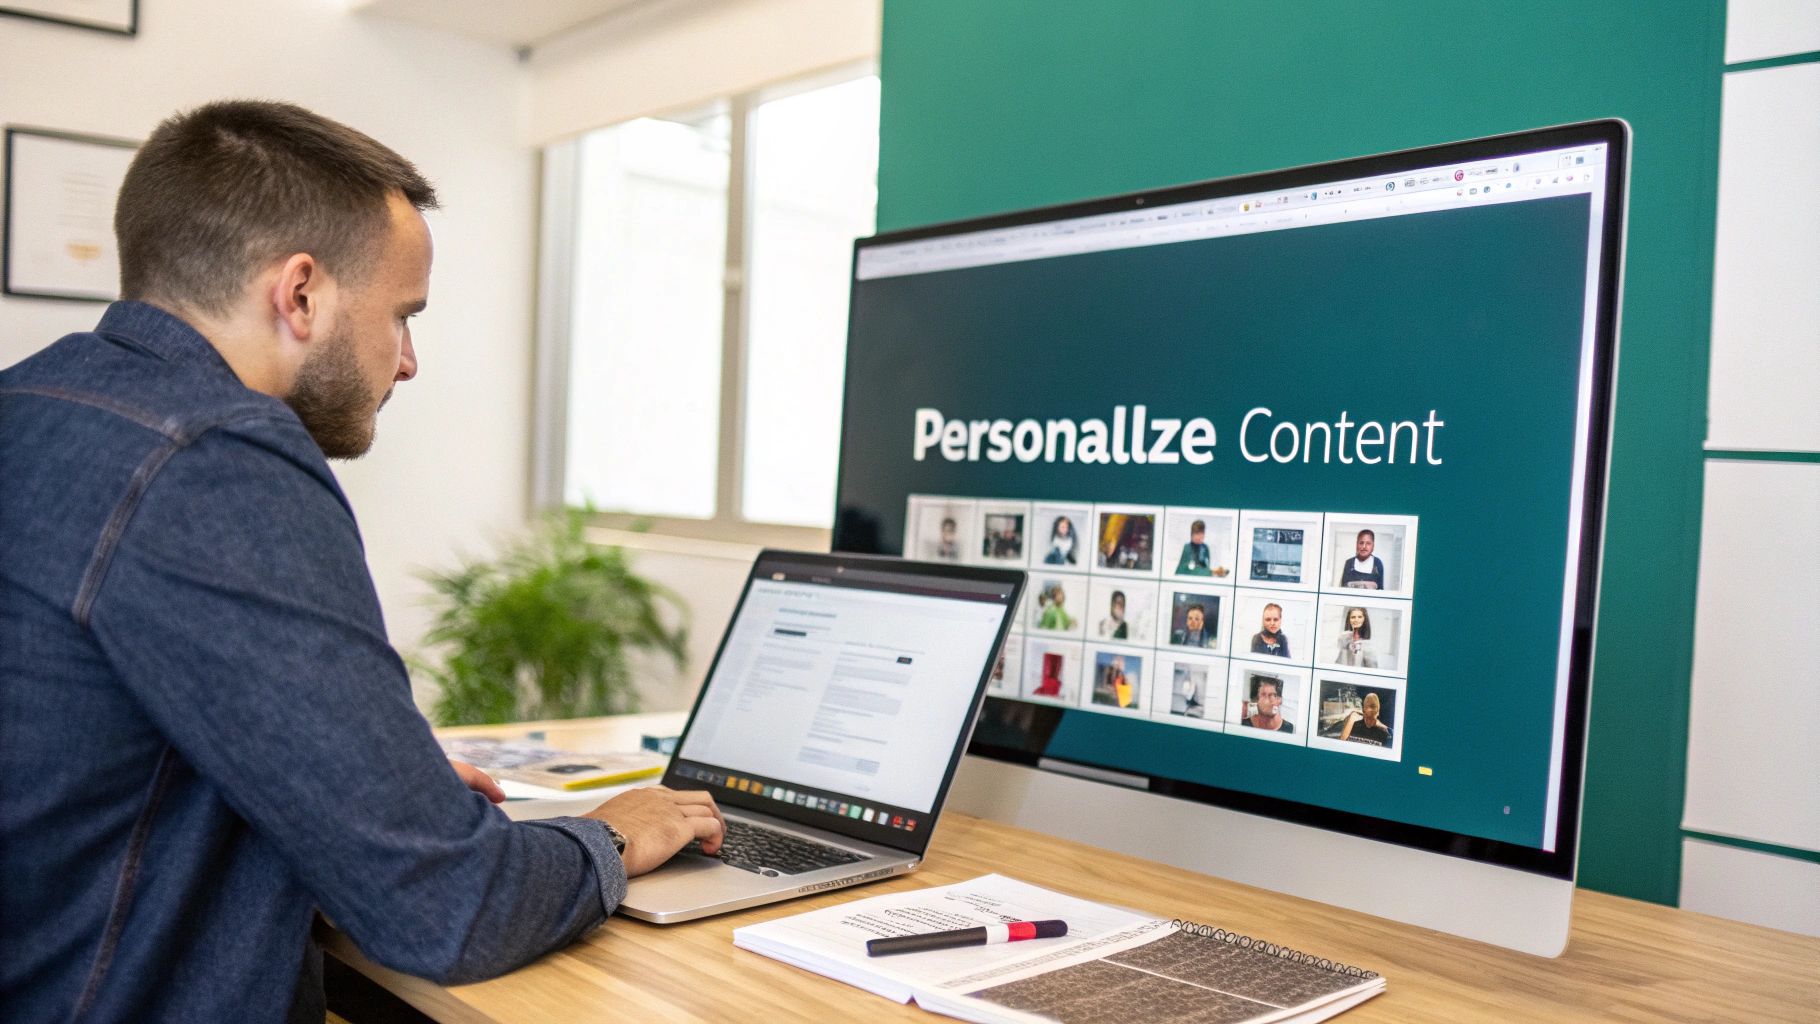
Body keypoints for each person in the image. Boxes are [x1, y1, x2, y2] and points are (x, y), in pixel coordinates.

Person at [0, 101, 725, 1022]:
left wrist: (354, 779)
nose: (410, 361)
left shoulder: (31, 404)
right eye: (401, 316)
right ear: (300, 294)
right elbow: (450, 908)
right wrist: (609, 837)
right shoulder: (217, 456)